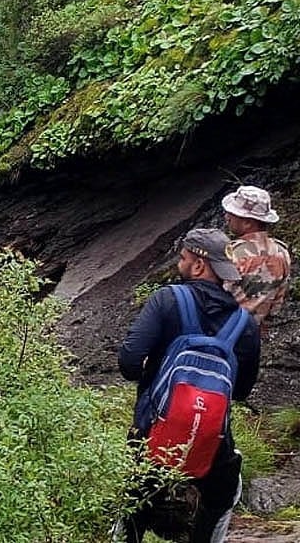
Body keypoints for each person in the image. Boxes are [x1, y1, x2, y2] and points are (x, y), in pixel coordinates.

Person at [116, 228, 261, 543]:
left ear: (198, 265)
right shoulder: (245, 322)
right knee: (224, 494)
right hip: (212, 442)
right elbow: (242, 390)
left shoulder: (166, 300)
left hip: (151, 436)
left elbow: (128, 362)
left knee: (130, 499)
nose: (179, 263)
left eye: (183, 257)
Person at [222, 185, 292, 327]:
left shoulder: (233, 254)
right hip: (255, 332)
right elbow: (278, 301)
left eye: (232, 214)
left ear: (247, 222)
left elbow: (218, 296)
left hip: (227, 329)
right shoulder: (282, 251)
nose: (226, 217)